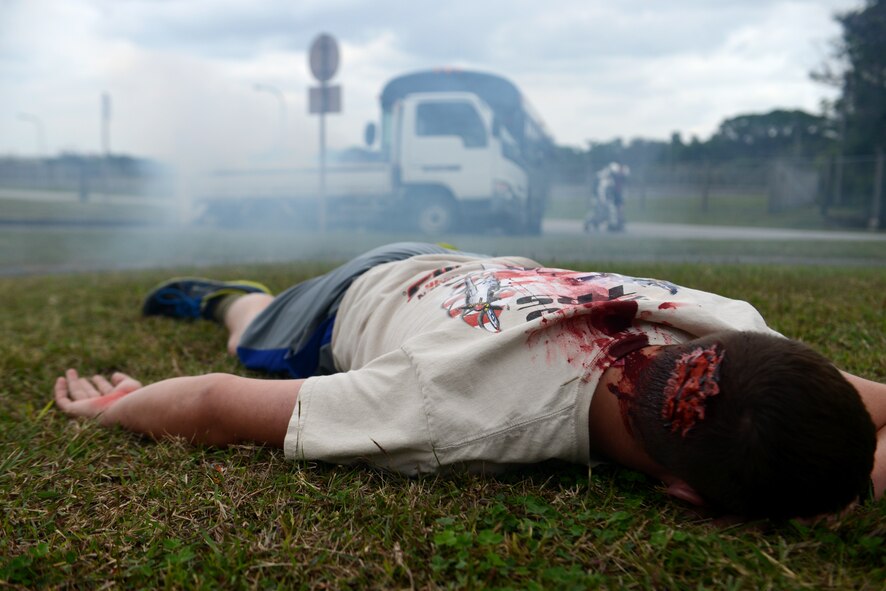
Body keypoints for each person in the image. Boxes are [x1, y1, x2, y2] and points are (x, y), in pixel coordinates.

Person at [53, 243, 885, 520]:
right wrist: (112, 411)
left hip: (459, 262)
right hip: (340, 305)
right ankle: (235, 297)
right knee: (256, 337)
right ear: (682, 492)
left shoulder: (735, 327)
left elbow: (861, 408)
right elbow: (213, 402)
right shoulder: (457, 415)